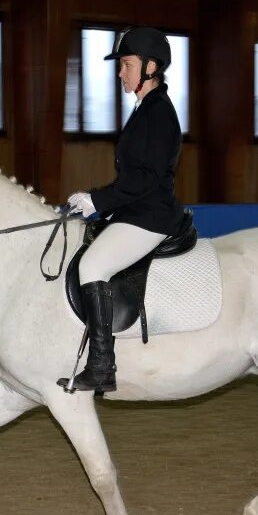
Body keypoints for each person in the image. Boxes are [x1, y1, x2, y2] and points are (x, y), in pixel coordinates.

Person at [57, 26, 185, 393]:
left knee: (92, 265)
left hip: (151, 215)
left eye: (126, 64)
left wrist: (98, 200)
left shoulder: (159, 113)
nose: (120, 72)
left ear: (151, 67)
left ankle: (101, 365)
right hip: (134, 211)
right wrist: (100, 202)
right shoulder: (146, 108)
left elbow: (145, 179)